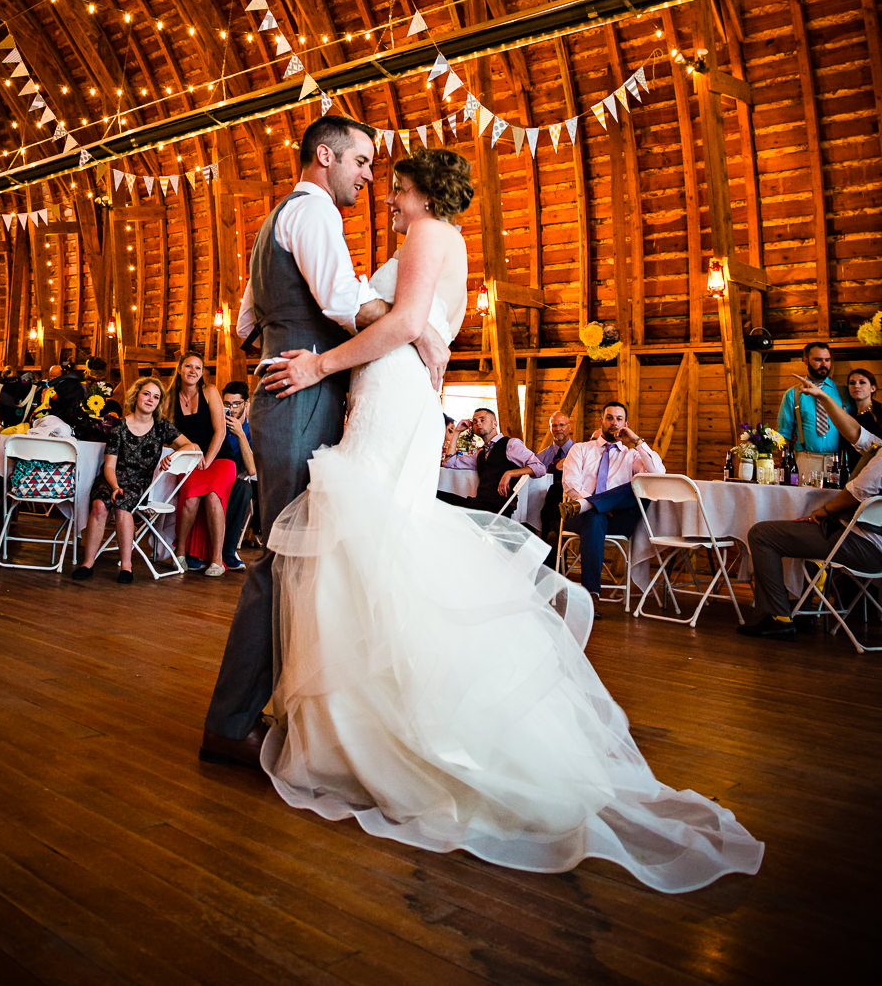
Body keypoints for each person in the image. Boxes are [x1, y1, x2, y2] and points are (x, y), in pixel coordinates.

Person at [249, 147, 761, 891]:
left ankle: (384, 733)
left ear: (424, 190)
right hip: (391, 396)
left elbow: (403, 325)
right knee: (366, 542)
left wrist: (327, 365)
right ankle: (352, 725)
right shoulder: (427, 239)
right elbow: (412, 324)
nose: (387, 198)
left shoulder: (430, 234)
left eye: (395, 188)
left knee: (371, 538)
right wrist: (415, 338)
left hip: (392, 397)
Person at [199, 114, 450, 766]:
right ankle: (231, 726)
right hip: (302, 396)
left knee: (296, 561)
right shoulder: (313, 213)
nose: (369, 176)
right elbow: (340, 298)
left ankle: (278, 709)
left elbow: (247, 319)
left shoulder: (273, 220)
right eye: (361, 162)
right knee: (285, 562)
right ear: (324, 156)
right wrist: (409, 326)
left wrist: (287, 337)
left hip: (291, 393)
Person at [740, 375, 882, 638]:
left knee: (762, 534)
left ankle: (779, 616)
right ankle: (804, 605)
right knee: (803, 533)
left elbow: (858, 491)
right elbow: (855, 433)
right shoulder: (878, 447)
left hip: (866, 545)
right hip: (866, 542)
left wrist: (823, 512)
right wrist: (823, 396)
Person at [72, 377, 196, 584]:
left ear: (158, 403)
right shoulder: (119, 427)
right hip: (112, 478)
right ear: (136, 395)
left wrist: (172, 457)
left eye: (156, 397)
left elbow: (192, 447)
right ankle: (88, 562)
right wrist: (114, 486)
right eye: (146, 394)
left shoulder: (161, 427)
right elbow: (109, 466)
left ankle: (126, 567)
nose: (150, 399)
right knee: (100, 505)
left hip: (139, 482)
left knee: (122, 507)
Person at [560, 403, 664, 605]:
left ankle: (592, 504)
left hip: (616, 518)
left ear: (626, 424)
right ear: (601, 421)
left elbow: (658, 475)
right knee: (594, 516)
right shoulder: (580, 449)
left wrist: (637, 441)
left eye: (618, 419)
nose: (613, 422)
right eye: (609, 418)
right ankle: (592, 595)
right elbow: (570, 484)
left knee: (641, 487)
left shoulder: (631, 455)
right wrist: (595, 508)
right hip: (580, 518)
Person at [162, 352, 237, 578]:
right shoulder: (169, 398)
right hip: (190, 458)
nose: (193, 371)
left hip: (220, 458)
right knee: (191, 498)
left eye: (198, 368)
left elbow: (221, 431)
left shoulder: (210, 392)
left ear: (202, 372)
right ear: (180, 369)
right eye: (188, 366)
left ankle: (216, 559)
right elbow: (167, 433)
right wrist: (191, 453)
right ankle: (181, 552)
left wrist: (208, 459)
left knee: (213, 496)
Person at [776, 342, 843, 477]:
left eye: (827, 360)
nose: (824, 364)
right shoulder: (793, 394)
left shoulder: (843, 393)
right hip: (805, 459)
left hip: (839, 460)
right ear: (805, 360)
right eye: (818, 360)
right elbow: (784, 435)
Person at [217, 381, 257, 571]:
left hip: (234, 482)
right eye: (226, 404)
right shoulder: (217, 424)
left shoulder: (253, 430)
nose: (231, 409)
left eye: (235, 404)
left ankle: (228, 552)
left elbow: (252, 470)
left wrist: (240, 434)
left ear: (245, 404)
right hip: (214, 476)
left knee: (245, 488)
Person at [537, 411, 574, 560]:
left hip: (570, 504)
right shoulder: (541, 456)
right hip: (542, 503)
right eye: (554, 426)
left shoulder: (579, 452)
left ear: (569, 427)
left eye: (561, 425)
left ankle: (552, 556)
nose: (558, 429)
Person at [842, 368, 882, 481]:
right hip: (852, 476)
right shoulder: (849, 417)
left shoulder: (879, 413)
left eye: (862, 382)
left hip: (876, 475)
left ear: (873, 388)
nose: (856, 386)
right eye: (852, 383)